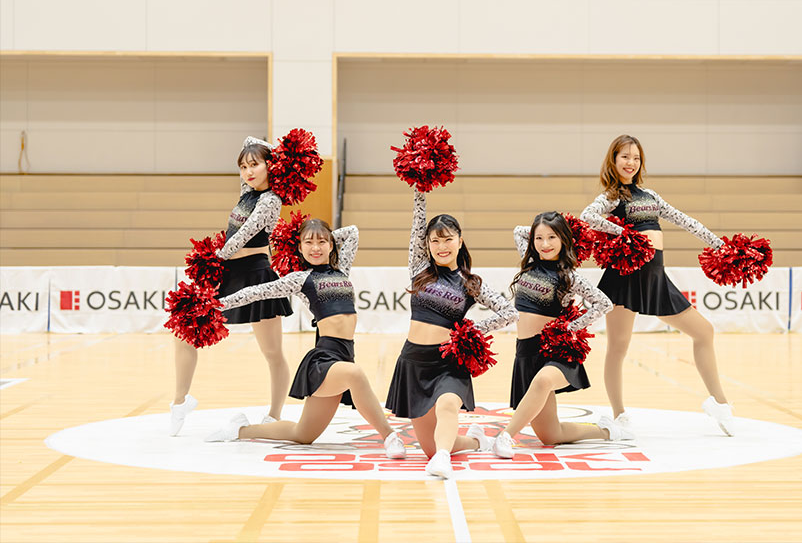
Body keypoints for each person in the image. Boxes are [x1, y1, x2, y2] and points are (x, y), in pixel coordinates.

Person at [204, 219, 406, 459]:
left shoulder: (342, 268)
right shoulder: (300, 279)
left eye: (322, 242)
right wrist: (216, 304)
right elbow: (256, 292)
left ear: (331, 245)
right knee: (355, 374)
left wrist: (316, 236)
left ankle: (240, 430)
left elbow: (352, 232)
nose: (315, 247)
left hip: (345, 354)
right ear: (299, 248)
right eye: (308, 243)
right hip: (324, 358)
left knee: (302, 434)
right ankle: (390, 437)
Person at [579, 134, 735, 435]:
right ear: (613, 160)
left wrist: (719, 245)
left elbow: (686, 221)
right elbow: (587, 216)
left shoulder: (650, 196)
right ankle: (619, 415)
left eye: (636, 158)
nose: (631, 162)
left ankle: (719, 402)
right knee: (618, 346)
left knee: (704, 331)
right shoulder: (612, 196)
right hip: (624, 276)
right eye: (625, 156)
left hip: (655, 277)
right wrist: (623, 233)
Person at [385, 189, 518, 478]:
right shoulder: (419, 268)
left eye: (447, 239)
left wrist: (468, 331)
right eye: (435, 241)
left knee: (447, 406)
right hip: (413, 362)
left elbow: (509, 313)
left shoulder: (471, 283)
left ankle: (443, 459)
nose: (441, 246)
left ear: (460, 240)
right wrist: (420, 190)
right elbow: (417, 224)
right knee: (429, 448)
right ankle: (475, 441)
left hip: (447, 362)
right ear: (427, 244)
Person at [170, 136, 292, 436]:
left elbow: (243, 235)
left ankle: (274, 414)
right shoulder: (246, 192)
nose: (248, 171)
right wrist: (218, 261)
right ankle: (180, 401)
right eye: (243, 166)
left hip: (256, 274)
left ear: (270, 166)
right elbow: (249, 140)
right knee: (185, 333)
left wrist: (216, 255)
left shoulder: (271, 200)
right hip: (227, 273)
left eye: (255, 165)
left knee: (272, 352)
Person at [490, 212, 631, 459]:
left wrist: (571, 328)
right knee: (551, 435)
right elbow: (518, 231)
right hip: (525, 353)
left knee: (543, 381)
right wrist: (548, 228)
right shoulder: (529, 261)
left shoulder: (570, 276)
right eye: (539, 238)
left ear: (564, 239)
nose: (545, 244)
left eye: (552, 237)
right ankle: (607, 430)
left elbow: (604, 304)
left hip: (554, 351)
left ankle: (505, 436)